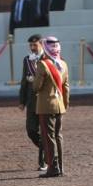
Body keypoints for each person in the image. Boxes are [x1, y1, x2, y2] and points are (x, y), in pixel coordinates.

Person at [34, 37, 69, 178]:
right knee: (58, 136)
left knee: (48, 137)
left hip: (46, 106)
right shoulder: (63, 64)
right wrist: (64, 104)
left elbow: (37, 86)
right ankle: (60, 167)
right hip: (59, 105)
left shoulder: (43, 64)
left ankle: (53, 168)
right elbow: (66, 88)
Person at [18, 34, 46, 171]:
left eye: (35, 45)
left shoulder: (48, 58)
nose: (32, 47)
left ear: (41, 44)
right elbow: (24, 81)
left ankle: (44, 161)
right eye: (30, 45)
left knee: (44, 130)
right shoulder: (27, 60)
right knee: (31, 131)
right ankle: (48, 148)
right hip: (31, 101)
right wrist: (22, 101)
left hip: (45, 100)